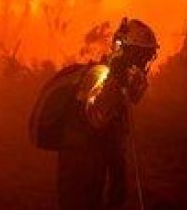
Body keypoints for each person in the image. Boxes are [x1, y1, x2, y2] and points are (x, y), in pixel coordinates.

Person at [57, 18, 159, 210]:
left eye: (146, 56)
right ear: (126, 51)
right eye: (140, 55)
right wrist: (115, 81)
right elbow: (97, 118)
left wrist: (117, 173)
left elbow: (116, 129)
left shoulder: (119, 80)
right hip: (78, 161)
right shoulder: (99, 75)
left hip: (97, 161)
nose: (143, 62)